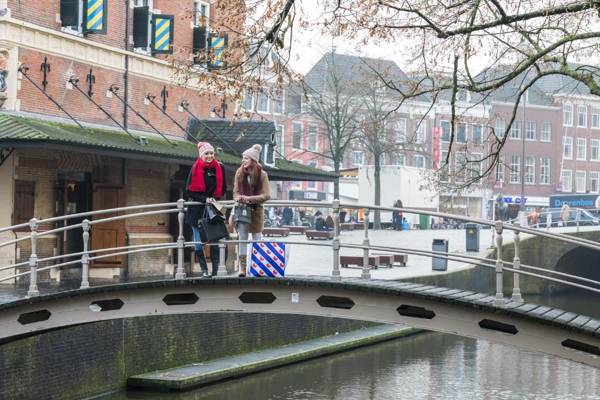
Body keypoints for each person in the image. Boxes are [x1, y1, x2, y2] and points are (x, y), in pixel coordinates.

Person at [185, 142, 227, 278]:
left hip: (212, 209)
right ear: (201, 155)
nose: (209, 156)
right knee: (198, 241)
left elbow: (224, 188)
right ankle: (204, 270)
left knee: (215, 238)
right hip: (197, 209)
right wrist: (205, 199)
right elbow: (189, 191)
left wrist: (213, 198)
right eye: (206, 154)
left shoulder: (219, 167)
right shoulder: (195, 168)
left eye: (211, 153)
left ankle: (215, 271)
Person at [234, 144, 271, 277]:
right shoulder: (239, 173)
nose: (243, 160)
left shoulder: (262, 174)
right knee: (242, 239)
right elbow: (235, 193)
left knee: (256, 239)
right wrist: (239, 197)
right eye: (243, 158)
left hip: (256, 211)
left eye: (246, 158)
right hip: (243, 211)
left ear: (253, 160)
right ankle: (242, 268)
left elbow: (266, 195)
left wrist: (249, 198)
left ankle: (258, 266)